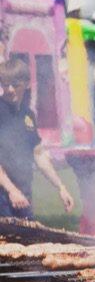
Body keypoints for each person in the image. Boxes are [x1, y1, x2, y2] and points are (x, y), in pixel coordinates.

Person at [0, 58, 74, 218]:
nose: (10, 89)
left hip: (23, 194)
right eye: (5, 84)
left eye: (15, 84)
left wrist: (60, 186)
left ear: (27, 84)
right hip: (3, 194)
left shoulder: (28, 115)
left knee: (27, 240)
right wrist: (12, 190)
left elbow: (38, 154)